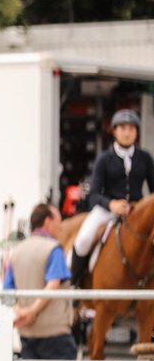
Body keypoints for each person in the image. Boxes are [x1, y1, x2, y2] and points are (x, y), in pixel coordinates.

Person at [70, 108, 154, 286]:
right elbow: (93, 194)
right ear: (114, 130)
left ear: (136, 132)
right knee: (84, 239)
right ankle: (75, 284)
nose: (127, 132)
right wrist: (111, 204)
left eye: (131, 128)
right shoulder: (104, 159)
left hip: (135, 211)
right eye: (123, 128)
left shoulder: (145, 158)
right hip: (107, 210)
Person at [5, 203, 77, 361]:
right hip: (54, 331)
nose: (61, 226)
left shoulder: (16, 252)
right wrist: (32, 311)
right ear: (47, 221)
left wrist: (20, 311)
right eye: (59, 221)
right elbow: (53, 283)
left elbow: (8, 290)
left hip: (27, 333)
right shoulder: (54, 249)